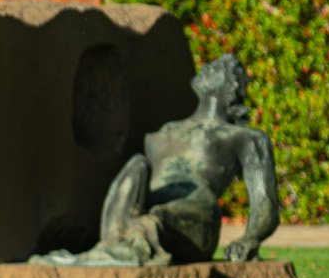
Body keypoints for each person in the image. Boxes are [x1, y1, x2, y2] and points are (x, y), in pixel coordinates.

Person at [38, 53, 278, 267]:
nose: (205, 68)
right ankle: (109, 247)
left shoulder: (245, 137)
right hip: (144, 213)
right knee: (137, 165)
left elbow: (265, 203)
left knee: (155, 219)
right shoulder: (168, 130)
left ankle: (121, 249)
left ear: (232, 84)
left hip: (195, 220)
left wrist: (250, 239)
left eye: (216, 68)